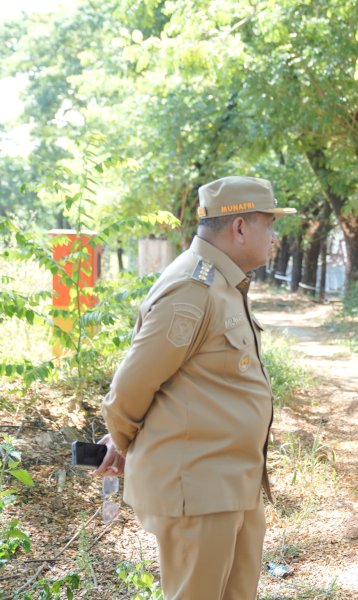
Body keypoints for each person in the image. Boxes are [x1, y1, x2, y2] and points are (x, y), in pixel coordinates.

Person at [94, 176, 296, 600]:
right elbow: (130, 388)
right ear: (240, 227)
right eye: (268, 222)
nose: (274, 235)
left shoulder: (224, 284)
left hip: (232, 483)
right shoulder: (193, 287)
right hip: (199, 490)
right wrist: (124, 443)